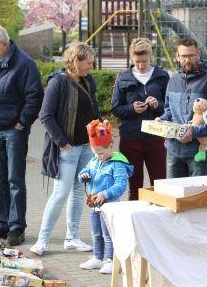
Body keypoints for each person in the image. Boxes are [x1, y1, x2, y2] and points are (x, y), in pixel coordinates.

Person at [30, 42, 100, 256]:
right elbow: (46, 115)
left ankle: (72, 237)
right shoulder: (58, 82)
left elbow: (93, 109)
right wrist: (63, 142)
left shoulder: (88, 81)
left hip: (87, 146)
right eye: (88, 62)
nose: (91, 66)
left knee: (79, 192)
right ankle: (42, 240)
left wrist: (101, 132)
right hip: (67, 148)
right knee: (60, 193)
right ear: (76, 61)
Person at [0, 23, 44, 246]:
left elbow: (35, 96)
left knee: (14, 179)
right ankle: (2, 223)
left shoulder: (24, 64)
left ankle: (17, 227)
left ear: (5, 44)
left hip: (14, 131)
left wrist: (22, 123)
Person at [158, 38, 207, 178]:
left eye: (191, 55)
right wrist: (161, 119)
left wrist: (195, 131)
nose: (187, 60)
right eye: (184, 56)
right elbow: (169, 111)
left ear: (198, 55)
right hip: (173, 151)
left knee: (198, 196)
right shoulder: (173, 81)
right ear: (177, 57)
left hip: (199, 153)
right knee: (175, 196)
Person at [111, 37, 169, 200]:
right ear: (131, 59)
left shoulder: (162, 76)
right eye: (137, 62)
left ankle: (158, 222)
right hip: (130, 139)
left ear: (150, 57)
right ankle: (134, 223)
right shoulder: (122, 78)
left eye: (144, 61)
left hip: (156, 138)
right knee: (134, 185)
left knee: (159, 184)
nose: (141, 66)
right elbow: (115, 108)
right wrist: (131, 109)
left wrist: (157, 104)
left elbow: (171, 107)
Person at [78, 119, 133, 274]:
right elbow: (83, 172)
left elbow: (121, 185)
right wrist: (83, 176)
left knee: (108, 234)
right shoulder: (94, 160)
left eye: (101, 153)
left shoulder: (117, 163)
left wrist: (105, 194)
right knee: (95, 233)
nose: (98, 156)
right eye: (95, 152)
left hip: (110, 206)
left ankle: (111, 260)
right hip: (94, 205)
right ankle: (97, 257)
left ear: (111, 146)